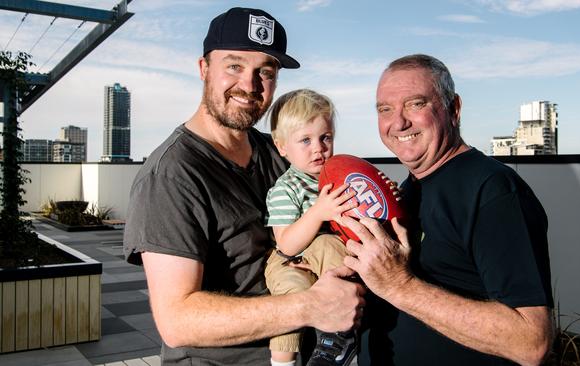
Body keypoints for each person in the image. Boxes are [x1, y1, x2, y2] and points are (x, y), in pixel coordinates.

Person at [123, 8, 365, 366]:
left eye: (265, 72)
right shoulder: (172, 174)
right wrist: (310, 306)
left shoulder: (280, 151)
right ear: (204, 69)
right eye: (234, 66)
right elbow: (176, 321)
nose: (250, 85)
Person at [341, 54, 555, 365]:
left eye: (416, 104)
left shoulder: (493, 189)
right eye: (385, 110)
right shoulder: (412, 187)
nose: (398, 122)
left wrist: (400, 286)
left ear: (453, 109)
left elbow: (531, 342)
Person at [264, 89, 359, 366]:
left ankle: (337, 337)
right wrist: (318, 212)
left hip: (328, 262)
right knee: (289, 302)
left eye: (325, 137)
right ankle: (282, 362)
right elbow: (286, 244)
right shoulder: (286, 188)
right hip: (289, 262)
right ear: (282, 147)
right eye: (305, 140)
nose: (318, 147)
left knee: (332, 246)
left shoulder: (340, 180)